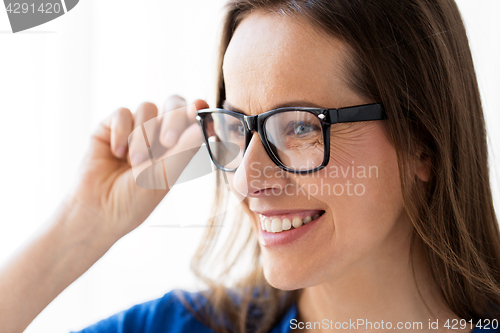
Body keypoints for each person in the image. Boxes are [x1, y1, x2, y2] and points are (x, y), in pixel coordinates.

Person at [1, 0, 499, 332]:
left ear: (423, 145)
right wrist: (81, 227)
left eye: (302, 126)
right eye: (239, 126)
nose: (245, 179)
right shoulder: (180, 326)